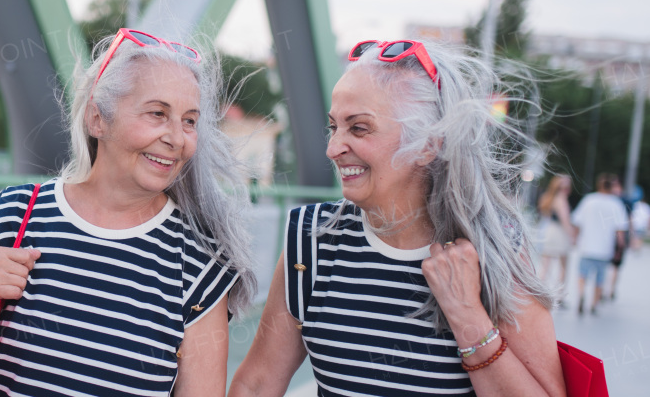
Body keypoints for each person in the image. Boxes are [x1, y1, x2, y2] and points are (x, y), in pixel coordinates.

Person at [0, 28, 255, 396]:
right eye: (157, 113)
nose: (177, 138)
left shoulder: (198, 264)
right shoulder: (18, 214)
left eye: (190, 121)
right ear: (97, 119)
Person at [229, 40, 564, 396]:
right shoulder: (311, 241)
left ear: (428, 145)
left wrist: (467, 316)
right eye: (334, 127)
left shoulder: (496, 248)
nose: (333, 148)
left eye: (358, 128)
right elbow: (258, 384)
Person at [570, 173, 628, 315]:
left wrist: (575, 238)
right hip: (605, 248)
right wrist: (621, 246)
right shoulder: (616, 204)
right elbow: (620, 229)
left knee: (583, 274)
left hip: (587, 246)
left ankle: (582, 294)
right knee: (600, 278)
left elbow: (577, 222)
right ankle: (594, 303)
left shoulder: (589, 200)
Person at [536, 175, 576, 297]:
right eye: (565, 187)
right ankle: (560, 294)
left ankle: (538, 292)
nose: (567, 189)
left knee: (545, 265)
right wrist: (572, 235)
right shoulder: (561, 199)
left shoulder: (548, 197)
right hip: (559, 233)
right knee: (563, 266)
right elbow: (565, 220)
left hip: (548, 231)